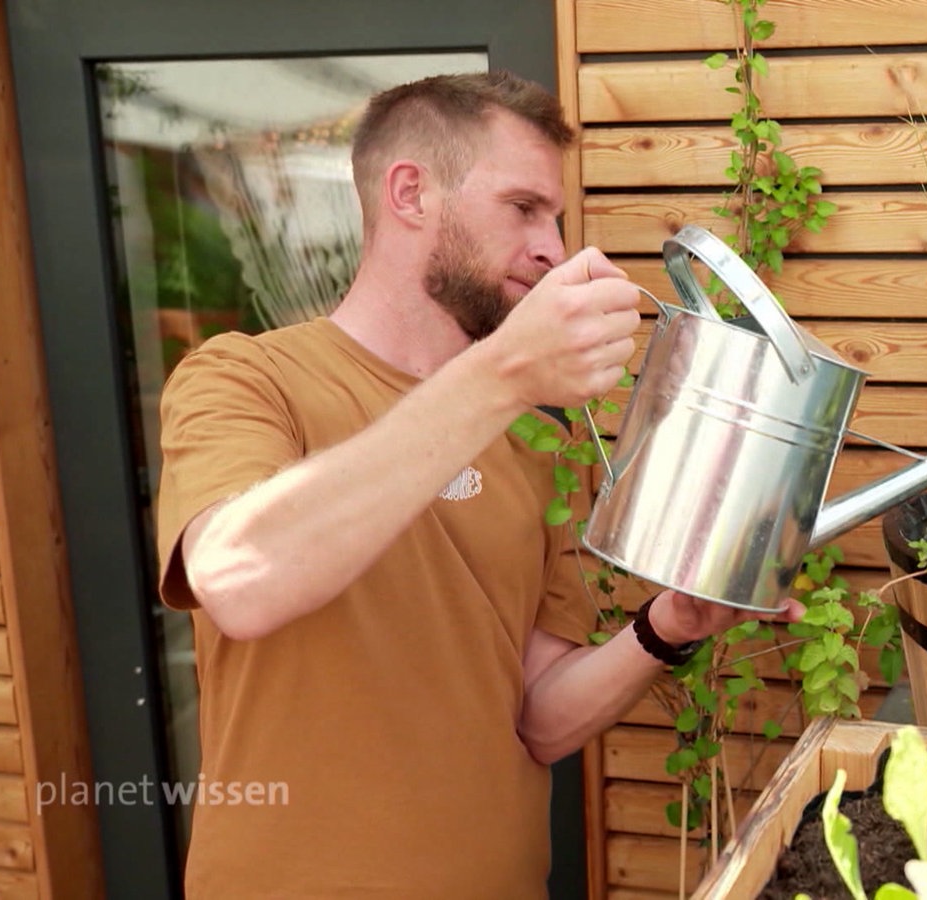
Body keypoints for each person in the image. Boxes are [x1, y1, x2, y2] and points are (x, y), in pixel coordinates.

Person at [154, 70, 800, 898]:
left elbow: (539, 716)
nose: (552, 249)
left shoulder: (532, 432)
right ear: (411, 194)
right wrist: (503, 375)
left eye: (556, 219)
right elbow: (239, 579)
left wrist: (670, 625)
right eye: (524, 208)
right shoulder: (247, 378)